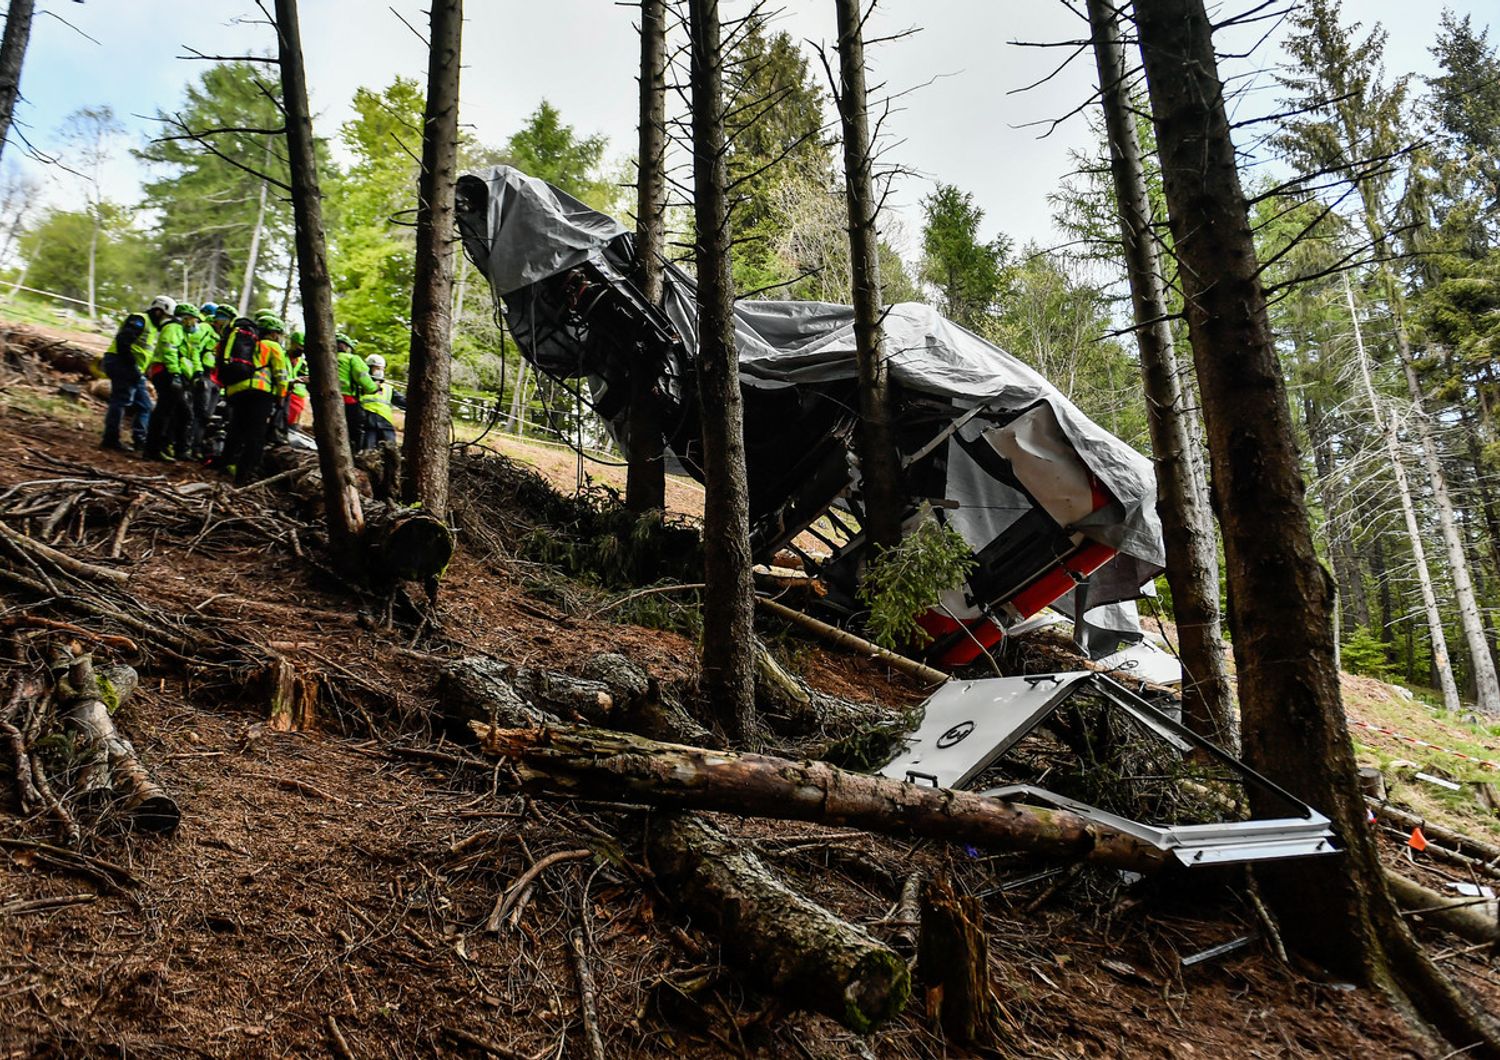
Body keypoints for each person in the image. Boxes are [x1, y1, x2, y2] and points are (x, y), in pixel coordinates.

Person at [217, 313, 289, 486]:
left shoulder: (248, 342)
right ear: (273, 333)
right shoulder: (272, 346)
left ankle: (224, 466)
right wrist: (281, 395)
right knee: (256, 434)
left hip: (237, 391)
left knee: (236, 428)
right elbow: (280, 374)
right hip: (260, 392)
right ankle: (245, 475)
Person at [100, 294, 171, 451]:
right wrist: (132, 365)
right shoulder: (140, 319)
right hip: (121, 363)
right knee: (121, 400)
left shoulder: (153, 329)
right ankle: (110, 439)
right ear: (159, 311)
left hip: (134, 369)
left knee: (145, 405)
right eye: (166, 316)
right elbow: (123, 342)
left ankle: (140, 439)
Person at [142, 301, 201, 461]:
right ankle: (153, 449)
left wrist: (195, 373)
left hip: (172, 373)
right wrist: (175, 374)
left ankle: (174, 449)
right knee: (165, 410)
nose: (195, 323)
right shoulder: (173, 328)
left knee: (182, 412)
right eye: (193, 319)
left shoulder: (182, 332)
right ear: (186, 318)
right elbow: (169, 350)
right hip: (165, 372)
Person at [188, 304, 233, 460]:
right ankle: (189, 447)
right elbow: (194, 349)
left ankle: (196, 448)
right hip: (205, 376)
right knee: (198, 414)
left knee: (206, 416)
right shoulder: (205, 329)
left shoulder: (223, 336)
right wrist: (198, 372)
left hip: (216, 380)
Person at [336, 332, 376, 452]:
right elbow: (362, 377)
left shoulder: (323, 359)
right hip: (349, 401)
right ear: (345, 346)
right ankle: (354, 454)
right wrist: (373, 388)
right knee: (356, 431)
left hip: (325, 401)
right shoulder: (352, 359)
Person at [359, 353, 406, 449]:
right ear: (369, 368)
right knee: (367, 452)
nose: (380, 372)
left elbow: (403, 402)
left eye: (382, 369)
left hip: (385, 425)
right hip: (367, 424)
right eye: (377, 368)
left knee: (391, 452)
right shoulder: (359, 387)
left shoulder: (388, 388)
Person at [283, 329, 309, 434]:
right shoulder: (282, 356)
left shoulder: (302, 362)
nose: (301, 350)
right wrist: (292, 381)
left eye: (303, 348)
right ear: (292, 343)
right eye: (300, 346)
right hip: (284, 393)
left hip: (297, 398)